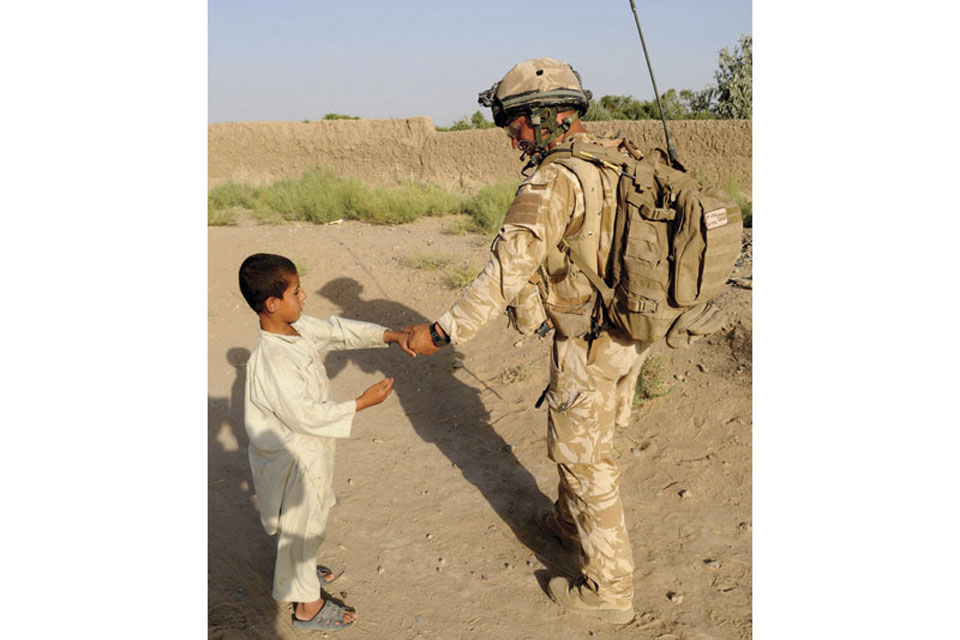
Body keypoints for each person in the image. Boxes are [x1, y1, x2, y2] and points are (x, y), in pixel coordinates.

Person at [404, 58, 652, 624]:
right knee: (585, 440)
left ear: (546, 117)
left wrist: (443, 332)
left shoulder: (554, 181)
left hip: (589, 341)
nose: (510, 135)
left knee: (587, 460)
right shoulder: (618, 155)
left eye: (515, 123)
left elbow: (502, 275)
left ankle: (610, 590)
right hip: (627, 332)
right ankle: (568, 523)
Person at [238, 253, 414, 631]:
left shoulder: (296, 329)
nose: (304, 298)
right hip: (295, 459)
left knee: (309, 520)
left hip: (310, 449)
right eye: (296, 292)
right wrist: (362, 402)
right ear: (272, 304)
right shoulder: (271, 359)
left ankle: (300, 572)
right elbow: (306, 415)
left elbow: (337, 331)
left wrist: (392, 336)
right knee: (302, 523)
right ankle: (308, 608)